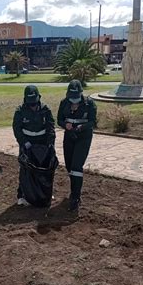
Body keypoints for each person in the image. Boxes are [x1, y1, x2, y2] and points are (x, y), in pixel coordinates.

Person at [57, 80, 97, 211]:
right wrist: (65, 125)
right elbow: (59, 120)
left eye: (76, 97)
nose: (73, 100)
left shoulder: (89, 104)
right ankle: (73, 191)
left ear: (81, 93)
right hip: (69, 136)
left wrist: (82, 127)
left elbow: (92, 122)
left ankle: (76, 197)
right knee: (69, 166)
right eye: (71, 97)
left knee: (76, 166)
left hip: (83, 137)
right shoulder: (64, 103)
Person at [13, 85, 56, 206]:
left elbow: (50, 127)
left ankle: (44, 193)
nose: (32, 105)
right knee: (25, 169)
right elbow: (17, 128)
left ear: (39, 98)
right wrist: (23, 142)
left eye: (34, 102)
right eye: (30, 102)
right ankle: (22, 195)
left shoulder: (45, 110)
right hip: (27, 144)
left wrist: (50, 143)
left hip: (42, 143)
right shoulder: (20, 111)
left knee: (43, 169)